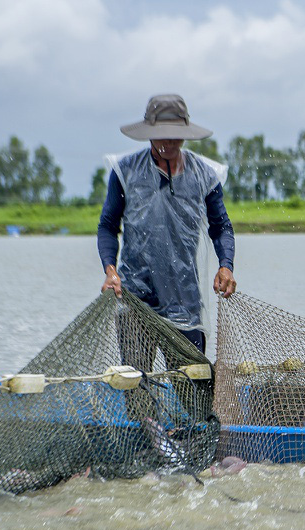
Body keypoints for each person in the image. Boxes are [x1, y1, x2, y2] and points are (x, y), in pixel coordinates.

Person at [97, 93, 236, 354]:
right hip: (136, 298)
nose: (169, 141)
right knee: (137, 385)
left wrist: (226, 266)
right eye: (162, 134)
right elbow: (108, 226)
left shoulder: (204, 175)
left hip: (185, 300)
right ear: (149, 133)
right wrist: (110, 269)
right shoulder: (125, 171)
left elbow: (221, 227)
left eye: (175, 134)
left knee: (192, 384)